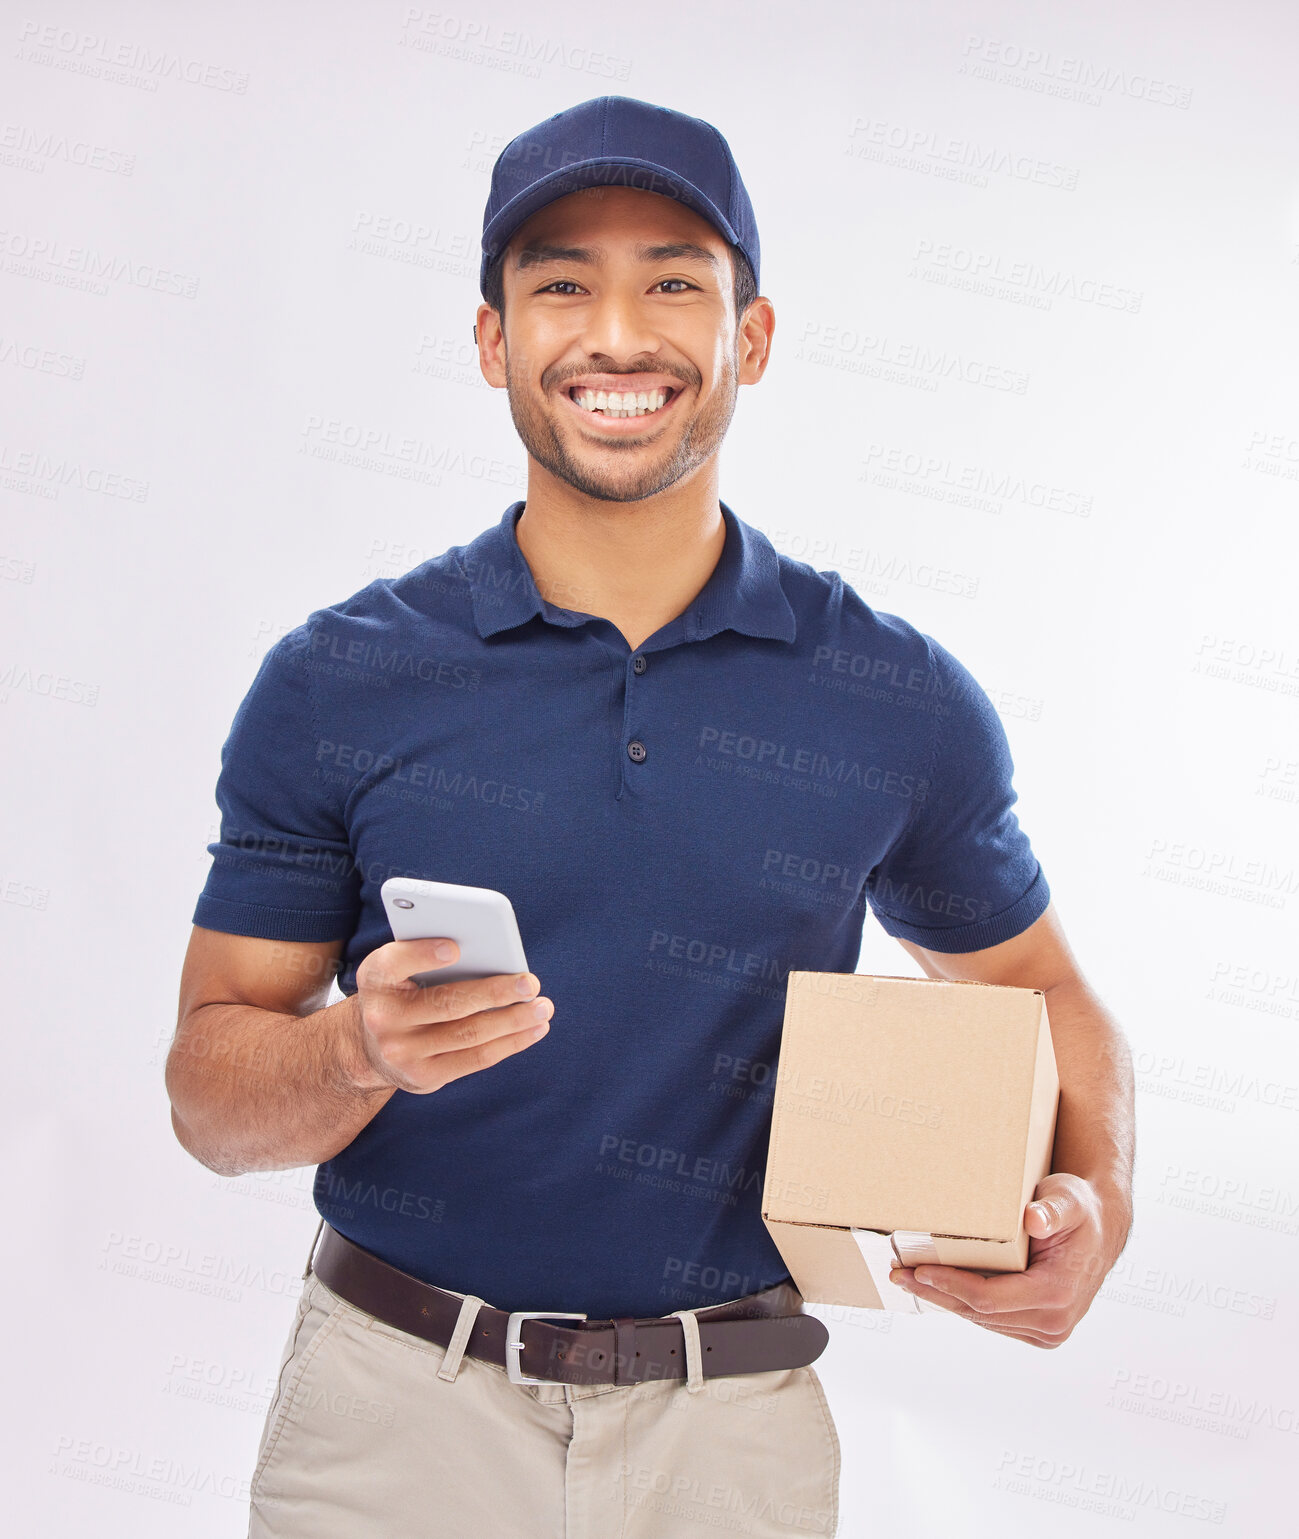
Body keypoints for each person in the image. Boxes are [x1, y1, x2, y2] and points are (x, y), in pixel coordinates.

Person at [167, 94, 1135, 1539]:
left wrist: (1097, 1204)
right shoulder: (339, 680)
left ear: (748, 337)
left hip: (730, 1435)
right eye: (562, 282)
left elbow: (1038, 989)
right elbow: (207, 1095)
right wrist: (356, 1046)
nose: (618, 334)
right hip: (391, 1418)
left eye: (674, 279)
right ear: (495, 340)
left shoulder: (893, 694)